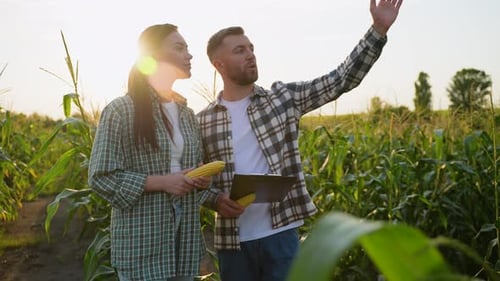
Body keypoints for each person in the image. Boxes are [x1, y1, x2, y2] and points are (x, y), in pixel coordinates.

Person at [197, 1, 403, 280]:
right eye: (240, 50)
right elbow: (193, 182)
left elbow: (340, 79)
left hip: (281, 236)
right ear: (218, 64)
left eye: (251, 48)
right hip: (233, 244)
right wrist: (215, 200)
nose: (251, 55)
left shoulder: (283, 99)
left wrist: (377, 30)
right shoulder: (202, 121)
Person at [88, 23, 209, 281]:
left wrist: (199, 179)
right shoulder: (121, 111)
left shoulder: (187, 115)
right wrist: (164, 182)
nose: (189, 55)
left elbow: (186, 172)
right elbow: (100, 177)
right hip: (143, 244)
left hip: (183, 241)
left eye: (188, 48)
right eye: (179, 48)